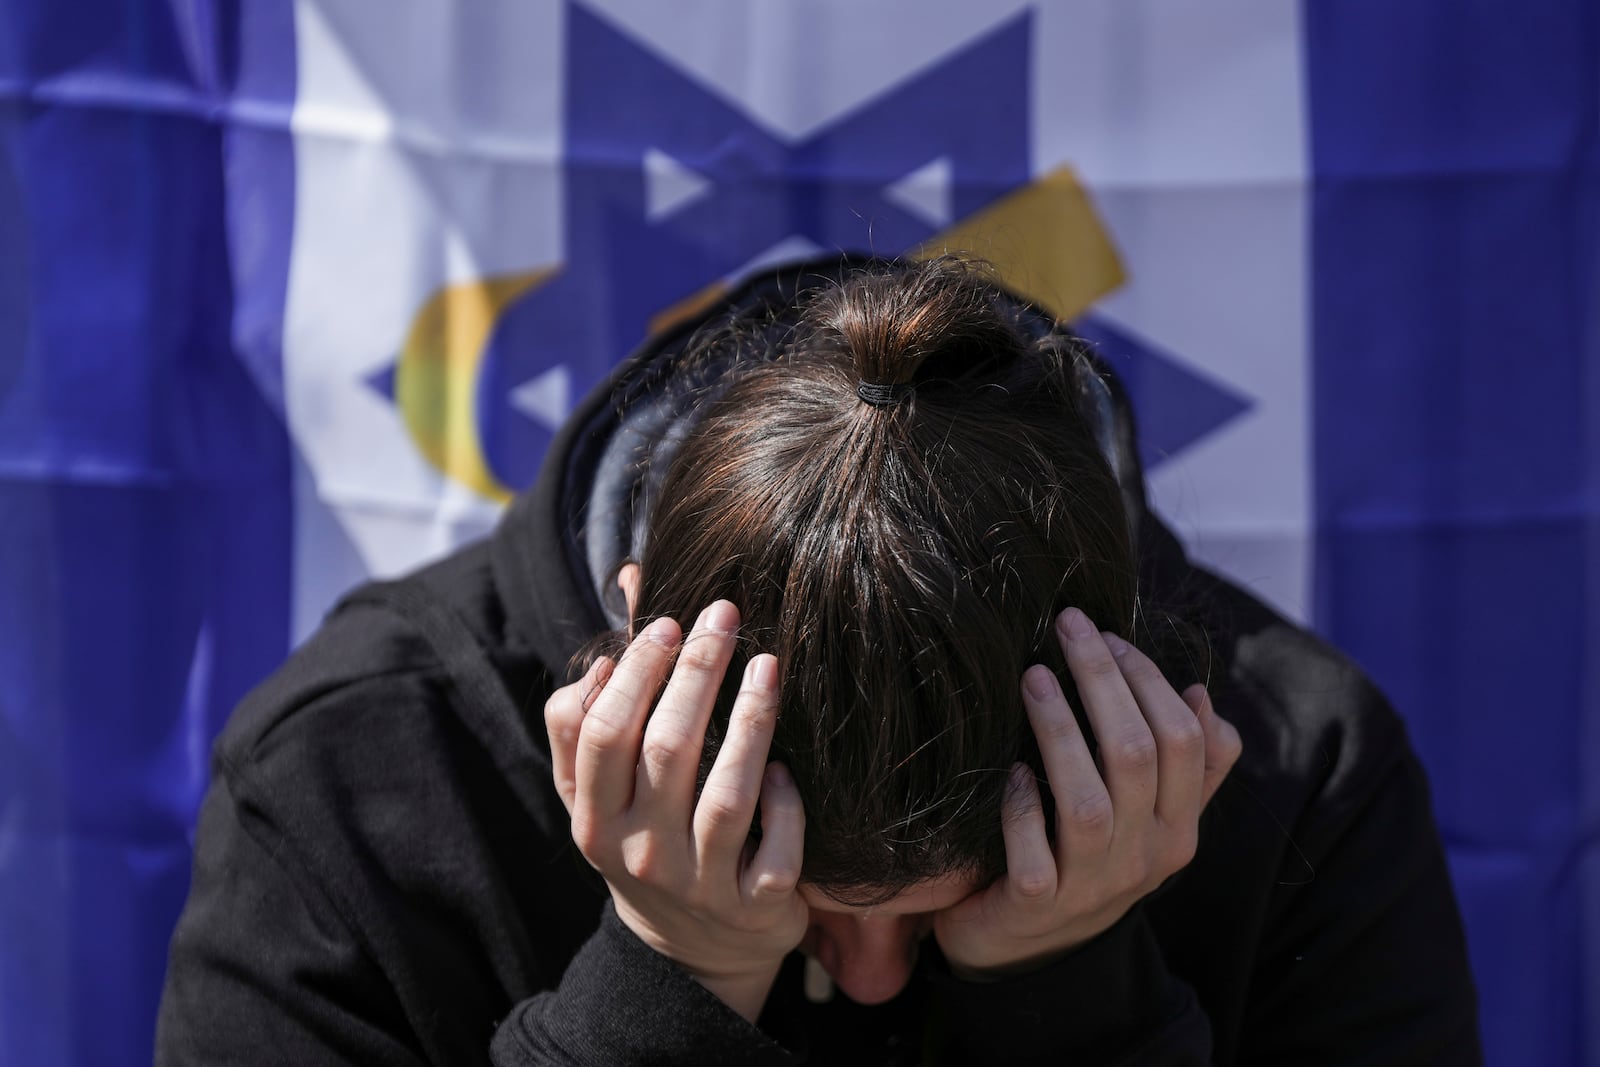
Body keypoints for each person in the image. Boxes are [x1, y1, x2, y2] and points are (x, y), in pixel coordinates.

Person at [156, 256, 1481, 1065]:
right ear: (625, 646)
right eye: (804, 890)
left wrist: (1071, 989)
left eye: (927, 907)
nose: (875, 978)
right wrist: (669, 977)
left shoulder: (1300, 770)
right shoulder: (351, 777)